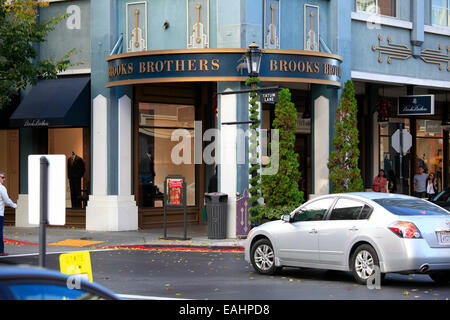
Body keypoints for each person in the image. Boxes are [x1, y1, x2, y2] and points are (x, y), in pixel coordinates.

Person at [0, 172, 17, 256]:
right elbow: (7, 200)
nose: (4, 179)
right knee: (0, 232)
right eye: (2, 177)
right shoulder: (2, 188)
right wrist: (14, 205)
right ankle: (1, 251)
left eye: (4, 177)